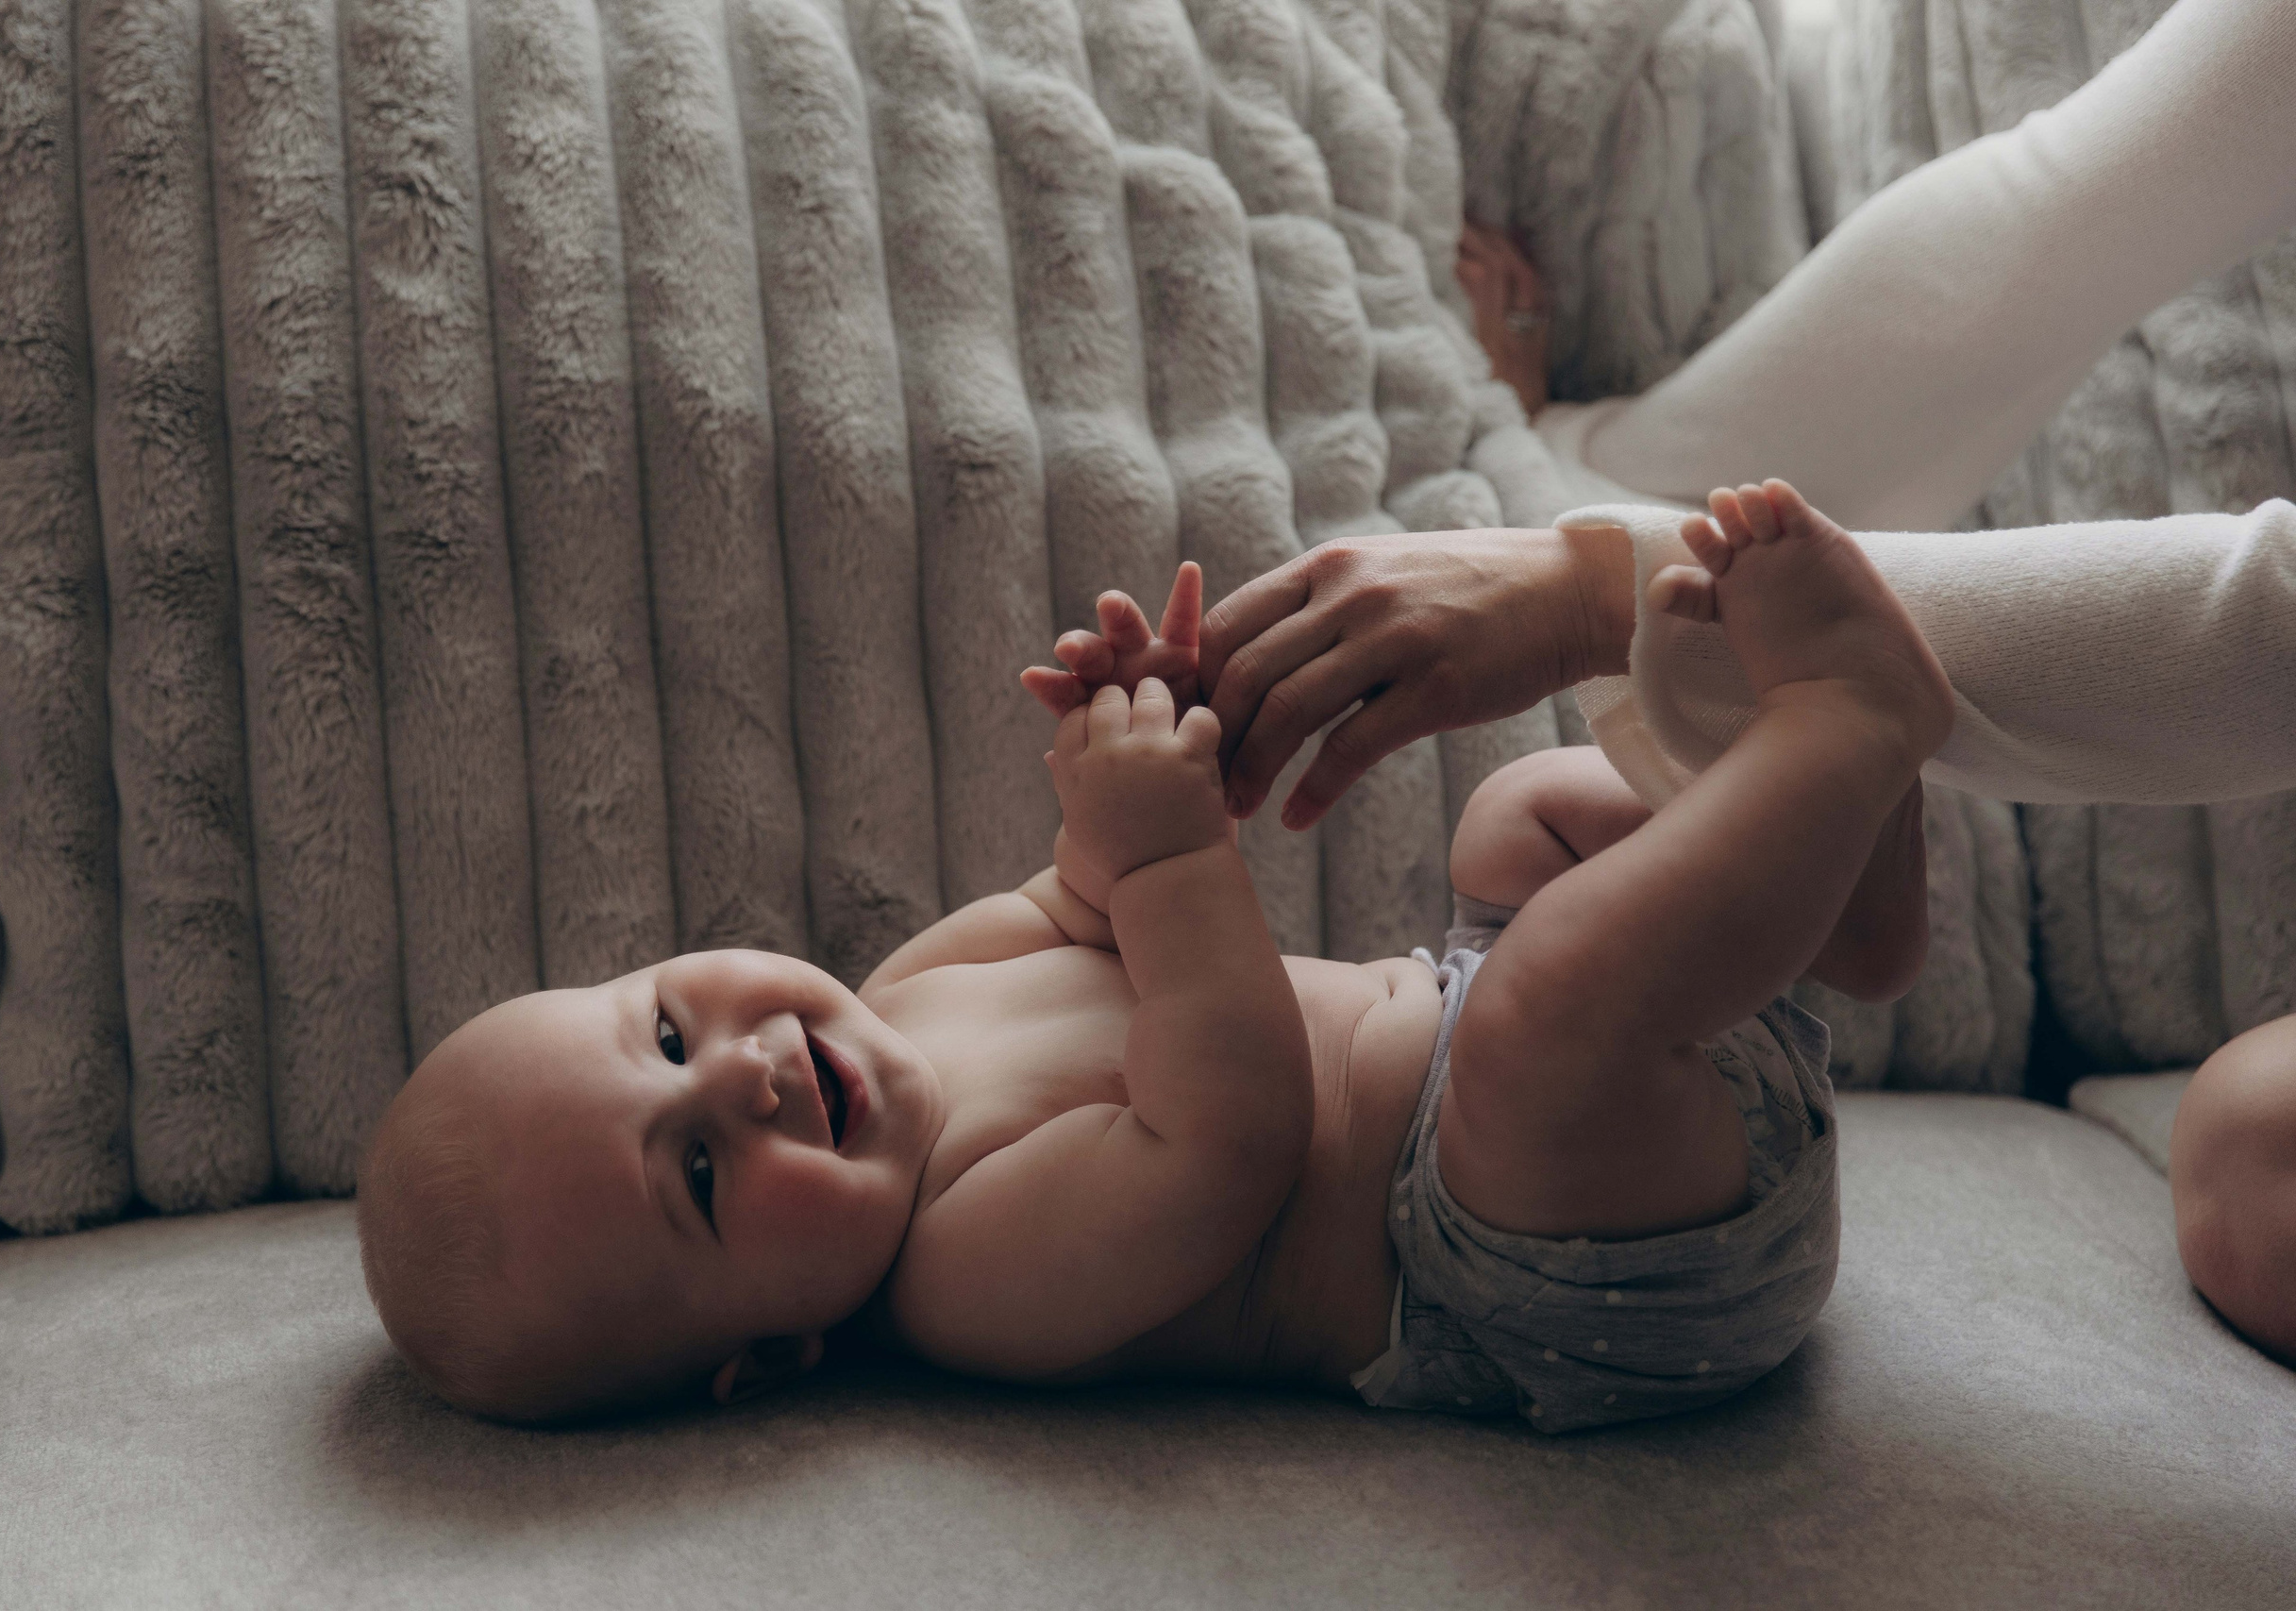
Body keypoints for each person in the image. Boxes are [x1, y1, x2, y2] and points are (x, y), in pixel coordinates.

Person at [1164, 0, 2296, 1361]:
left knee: (2246, 1163)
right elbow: (2083, 202)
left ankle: (1847, 747)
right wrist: (1578, 472)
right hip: (1589, 1178)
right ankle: (1845, 843)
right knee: (2253, 1157)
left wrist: (1594, 587)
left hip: (1551, 1221)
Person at [357, 480, 1952, 1429]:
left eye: (664, 1039)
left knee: (1523, 827)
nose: (748, 1078)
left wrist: (1146, 744)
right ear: (767, 1352)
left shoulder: (905, 992)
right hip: (1562, 1262)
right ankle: (1855, 726)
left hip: (1579, 1062)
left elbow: (1080, 907)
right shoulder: (964, 1276)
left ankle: (1854, 900)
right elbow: (1229, 1136)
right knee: (1541, 1022)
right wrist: (1181, 854)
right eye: (698, 1176)